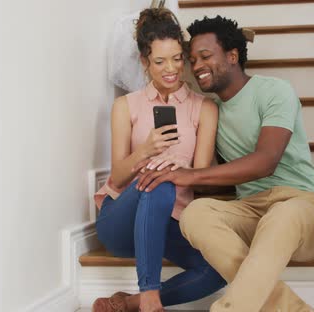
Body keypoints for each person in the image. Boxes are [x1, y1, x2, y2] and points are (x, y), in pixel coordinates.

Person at [135, 16, 314, 312]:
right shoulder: (209, 111)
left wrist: (190, 176)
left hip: (302, 206)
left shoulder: (274, 91)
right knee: (197, 214)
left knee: (281, 216)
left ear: (232, 56)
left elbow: (265, 161)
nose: (197, 66)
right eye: (192, 60)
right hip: (250, 210)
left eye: (205, 56)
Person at [92, 8, 225, 312]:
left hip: (171, 221)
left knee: (217, 270)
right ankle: (150, 294)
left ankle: (131, 303)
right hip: (121, 221)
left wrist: (181, 171)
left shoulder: (204, 108)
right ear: (144, 61)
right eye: (160, 61)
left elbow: (201, 176)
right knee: (158, 183)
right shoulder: (126, 106)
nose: (171, 69)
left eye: (177, 58)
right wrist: (145, 151)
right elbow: (120, 176)